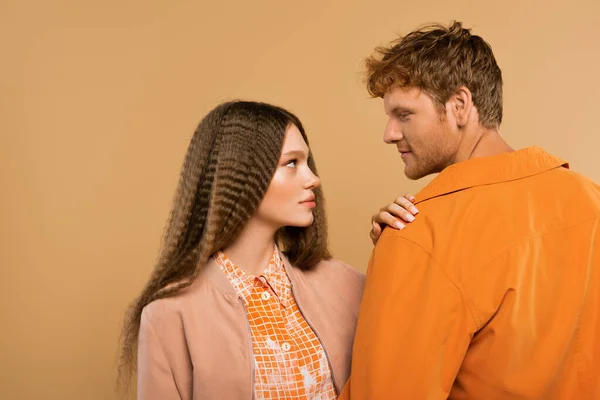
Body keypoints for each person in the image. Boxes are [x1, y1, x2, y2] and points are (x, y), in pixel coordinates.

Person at [341, 21, 600, 399]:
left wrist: (403, 251)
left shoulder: (419, 233)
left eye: (404, 114)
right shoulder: (589, 198)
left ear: (460, 105)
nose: (389, 133)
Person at [117, 100, 418, 399]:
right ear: (241, 174)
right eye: (291, 163)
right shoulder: (168, 313)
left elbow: (416, 350)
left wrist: (396, 249)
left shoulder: (345, 284)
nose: (313, 179)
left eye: (307, 162)